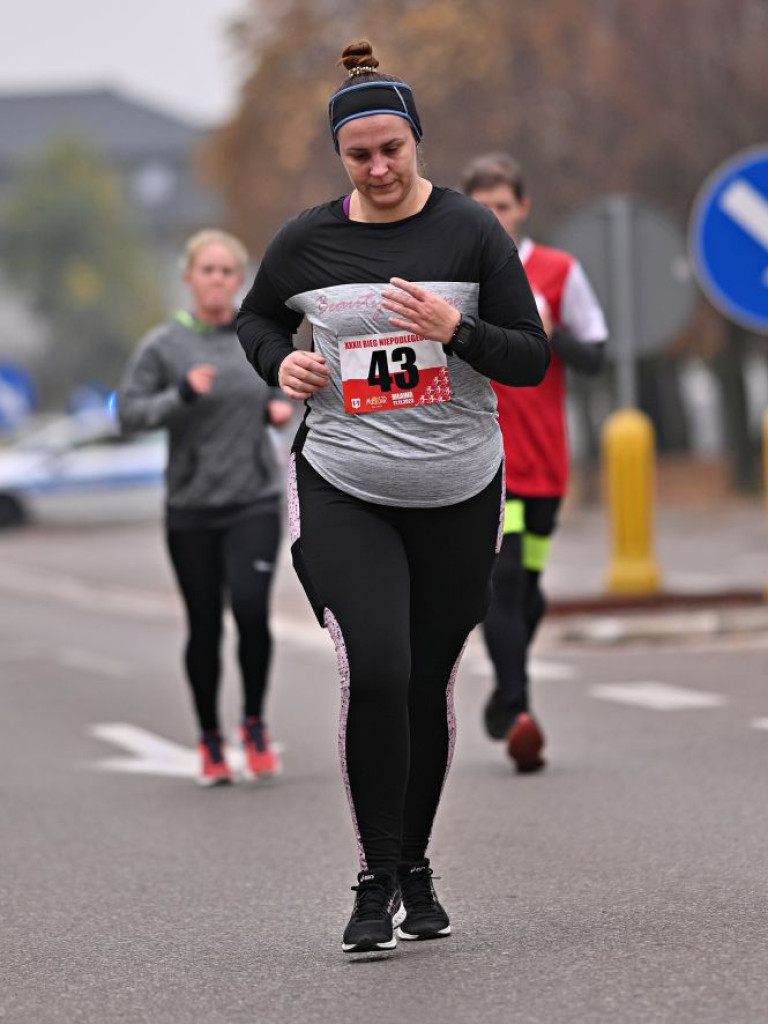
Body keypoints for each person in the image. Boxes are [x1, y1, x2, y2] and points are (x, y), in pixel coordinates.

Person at [237, 41, 549, 954]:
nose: (377, 168)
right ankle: (374, 881)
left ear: (416, 141)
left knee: (423, 681)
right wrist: (280, 360)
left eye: (391, 150)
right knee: (372, 668)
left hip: (458, 489)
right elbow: (258, 317)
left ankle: (415, 864)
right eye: (359, 154)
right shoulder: (306, 239)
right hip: (345, 481)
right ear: (341, 155)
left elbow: (529, 357)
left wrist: (458, 330)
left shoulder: (471, 234)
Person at [118, 229, 294, 786]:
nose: (217, 280)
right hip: (193, 506)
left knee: (249, 610)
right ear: (189, 278)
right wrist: (182, 396)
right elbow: (127, 415)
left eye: (227, 271)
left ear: (239, 279)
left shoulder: (256, 335)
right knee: (204, 627)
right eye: (207, 270)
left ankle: (254, 725)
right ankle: (211, 740)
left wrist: (277, 403)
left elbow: (284, 380)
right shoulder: (164, 345)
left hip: (255, 499)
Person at [461, 154, 608, 772]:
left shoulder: (558, 271)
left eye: (502, 206)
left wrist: (549, 333)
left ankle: (505, 687)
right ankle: (521, 711)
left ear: (522, 208)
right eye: (482, 208)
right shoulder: (456, 277)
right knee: (507, 579)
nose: (493, 217)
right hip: (486, 458)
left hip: (547, 461)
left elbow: (598, 355)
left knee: (529, 593)